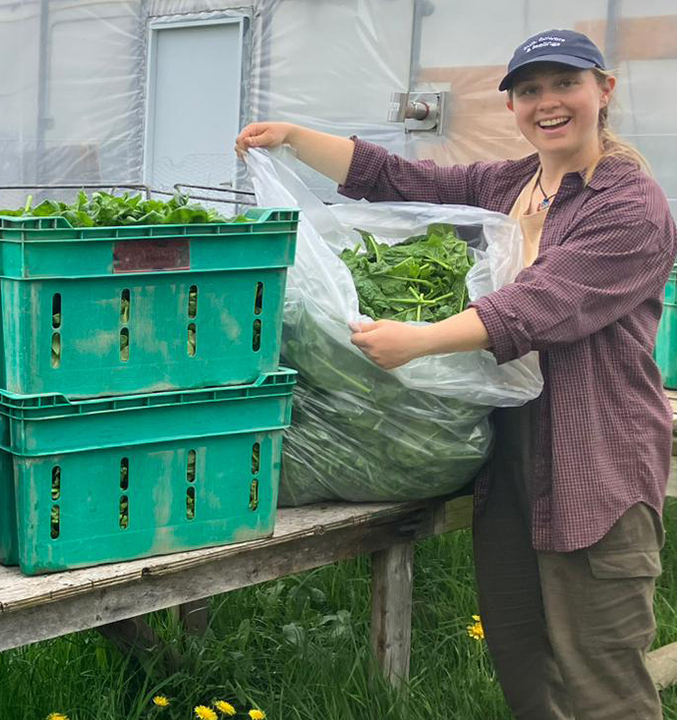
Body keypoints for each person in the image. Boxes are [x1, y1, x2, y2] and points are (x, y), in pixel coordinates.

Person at [235, 29, 676, 720]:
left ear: (604, 90)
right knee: (524, 663)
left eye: (566, 84)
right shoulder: (509, 185)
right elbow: (401, 181)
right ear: (512, 105)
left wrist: (420, 342)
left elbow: (543, 304)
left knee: (602, 680)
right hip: (507, 458)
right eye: (530, 90)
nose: (548, 102)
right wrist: (292, 137)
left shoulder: (630, 206)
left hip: (594, 460)